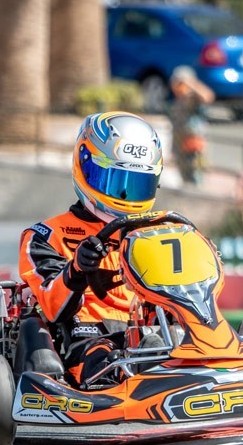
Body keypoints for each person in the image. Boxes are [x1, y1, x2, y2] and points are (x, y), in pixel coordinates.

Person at [17, 111, 164, 387]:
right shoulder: (46, 236)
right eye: (116, 183)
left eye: (136, 185)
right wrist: (76, 270)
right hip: (87, 339)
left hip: (150, 331)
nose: (126, 197)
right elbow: (52, 307)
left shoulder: (153, 233)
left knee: (175, 334)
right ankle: (149, 364)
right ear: (86, 166)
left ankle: (226, 351)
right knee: (101, 354)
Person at [168, 65, 215, 185]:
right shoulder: (177, 101)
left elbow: (208, 96)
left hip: (193, 145)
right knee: (184, 177)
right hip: (180, 145)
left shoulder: (193, 97)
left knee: (195, 177)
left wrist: (191, 83)